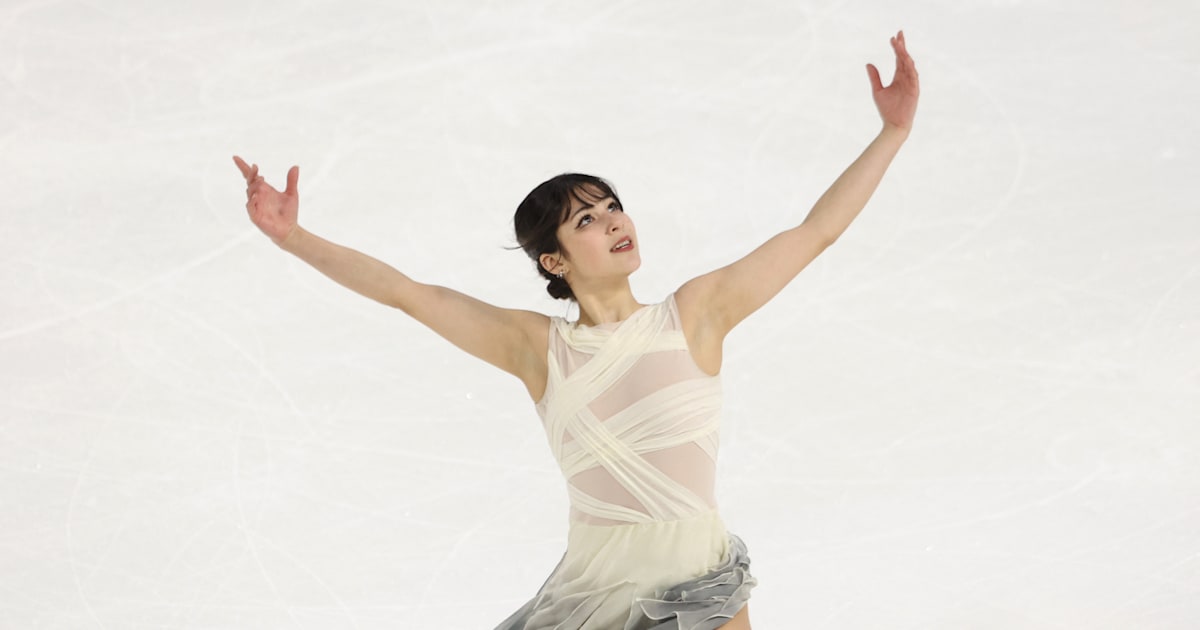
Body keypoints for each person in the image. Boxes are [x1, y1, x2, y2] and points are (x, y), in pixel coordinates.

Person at [234, 30, 918, 630]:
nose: (615, 221)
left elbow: (817, 231)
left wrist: (890, 134)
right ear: (553, 261)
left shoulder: (699, 311)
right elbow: (408, 294)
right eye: (586, 219)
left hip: (702, 588)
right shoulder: (539, 349)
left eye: (613, 206)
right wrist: (293, 237)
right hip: (592, 602)